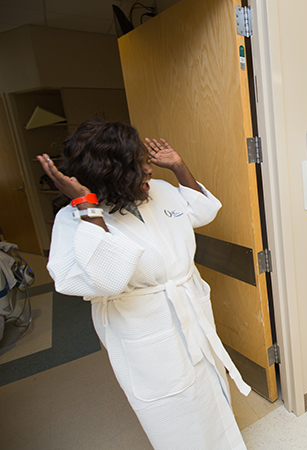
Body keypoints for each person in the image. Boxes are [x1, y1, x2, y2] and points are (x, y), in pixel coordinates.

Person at [37, 119, 250, 449]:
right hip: (144, 328)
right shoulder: (74, 219)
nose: (149, 170)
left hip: (189, 309)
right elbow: (104, 279)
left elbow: (202, 210)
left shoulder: (158, 192)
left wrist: (179, 167)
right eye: (139, 164)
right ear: (112, 174)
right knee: (176, 414)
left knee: (211, 392)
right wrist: (87, 208)